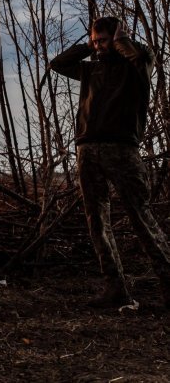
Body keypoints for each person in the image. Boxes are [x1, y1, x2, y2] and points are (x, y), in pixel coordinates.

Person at [50, 16, 170, 308]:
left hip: (122, 150)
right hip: (87, 150)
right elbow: (58, 64)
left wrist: (120, 40)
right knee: (97, 221)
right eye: (95, 41)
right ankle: (115, 289)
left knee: (141, 217)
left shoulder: (136, 65)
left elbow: (142, 57)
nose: (98, 45)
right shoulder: (92, 69)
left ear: (117, 37)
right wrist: (88, 46)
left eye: (103, 40)